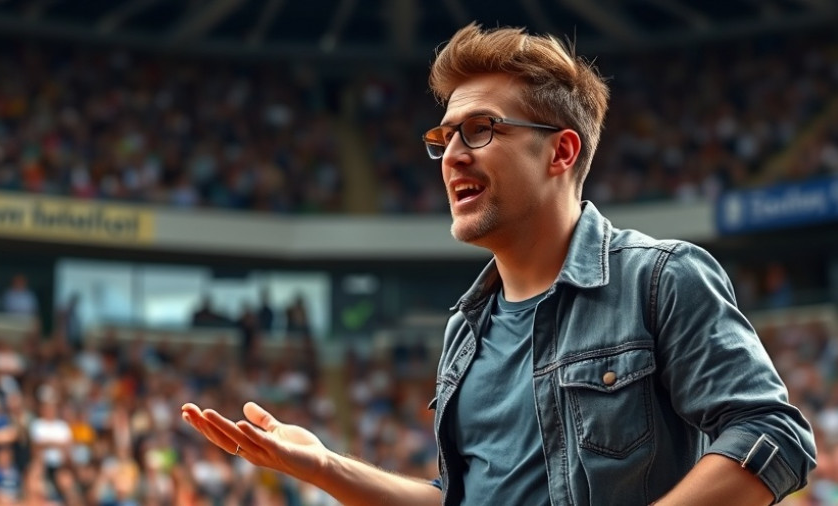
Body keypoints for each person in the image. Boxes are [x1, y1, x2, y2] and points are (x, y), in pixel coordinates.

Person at [182, 23, 816, 505]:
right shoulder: (464, 332)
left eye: (480, 129)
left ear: (561, 151)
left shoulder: (661, 278)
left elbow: (771, 432)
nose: (452, 155)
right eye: (444, 138)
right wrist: (323, 467)